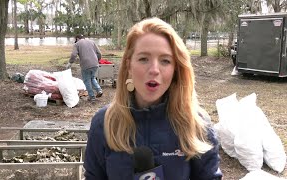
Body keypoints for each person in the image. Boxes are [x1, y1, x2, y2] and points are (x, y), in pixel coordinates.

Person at [83, 17, 223, 180]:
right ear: (129, 65)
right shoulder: (104, 123)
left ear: (175, 69)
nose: (154, 70)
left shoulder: (197, 124)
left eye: (165, 61)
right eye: (143, 59)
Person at [67, 34, 103, 102]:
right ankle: (99, 90)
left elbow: (73, 54)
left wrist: (70, 62)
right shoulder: (92, 42)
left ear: (77, 38)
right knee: (92, 78)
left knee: (87, 80)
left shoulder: (77, 44)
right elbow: (99, 53)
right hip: (95, 64)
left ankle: (92, 97)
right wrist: (96, 60)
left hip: (86, 65)